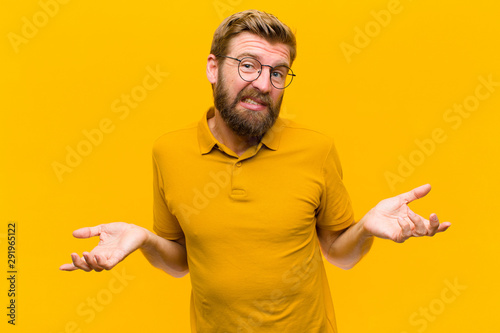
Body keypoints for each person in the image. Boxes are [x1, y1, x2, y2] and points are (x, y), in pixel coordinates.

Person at [60, 10, 451, 333]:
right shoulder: (169, 152)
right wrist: (144, 239)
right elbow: (179, 261)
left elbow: (339, 254)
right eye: (248, 66)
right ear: (213, 68)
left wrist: (365, 226)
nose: (263, 84)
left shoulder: (315, 148)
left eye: (278, 72)